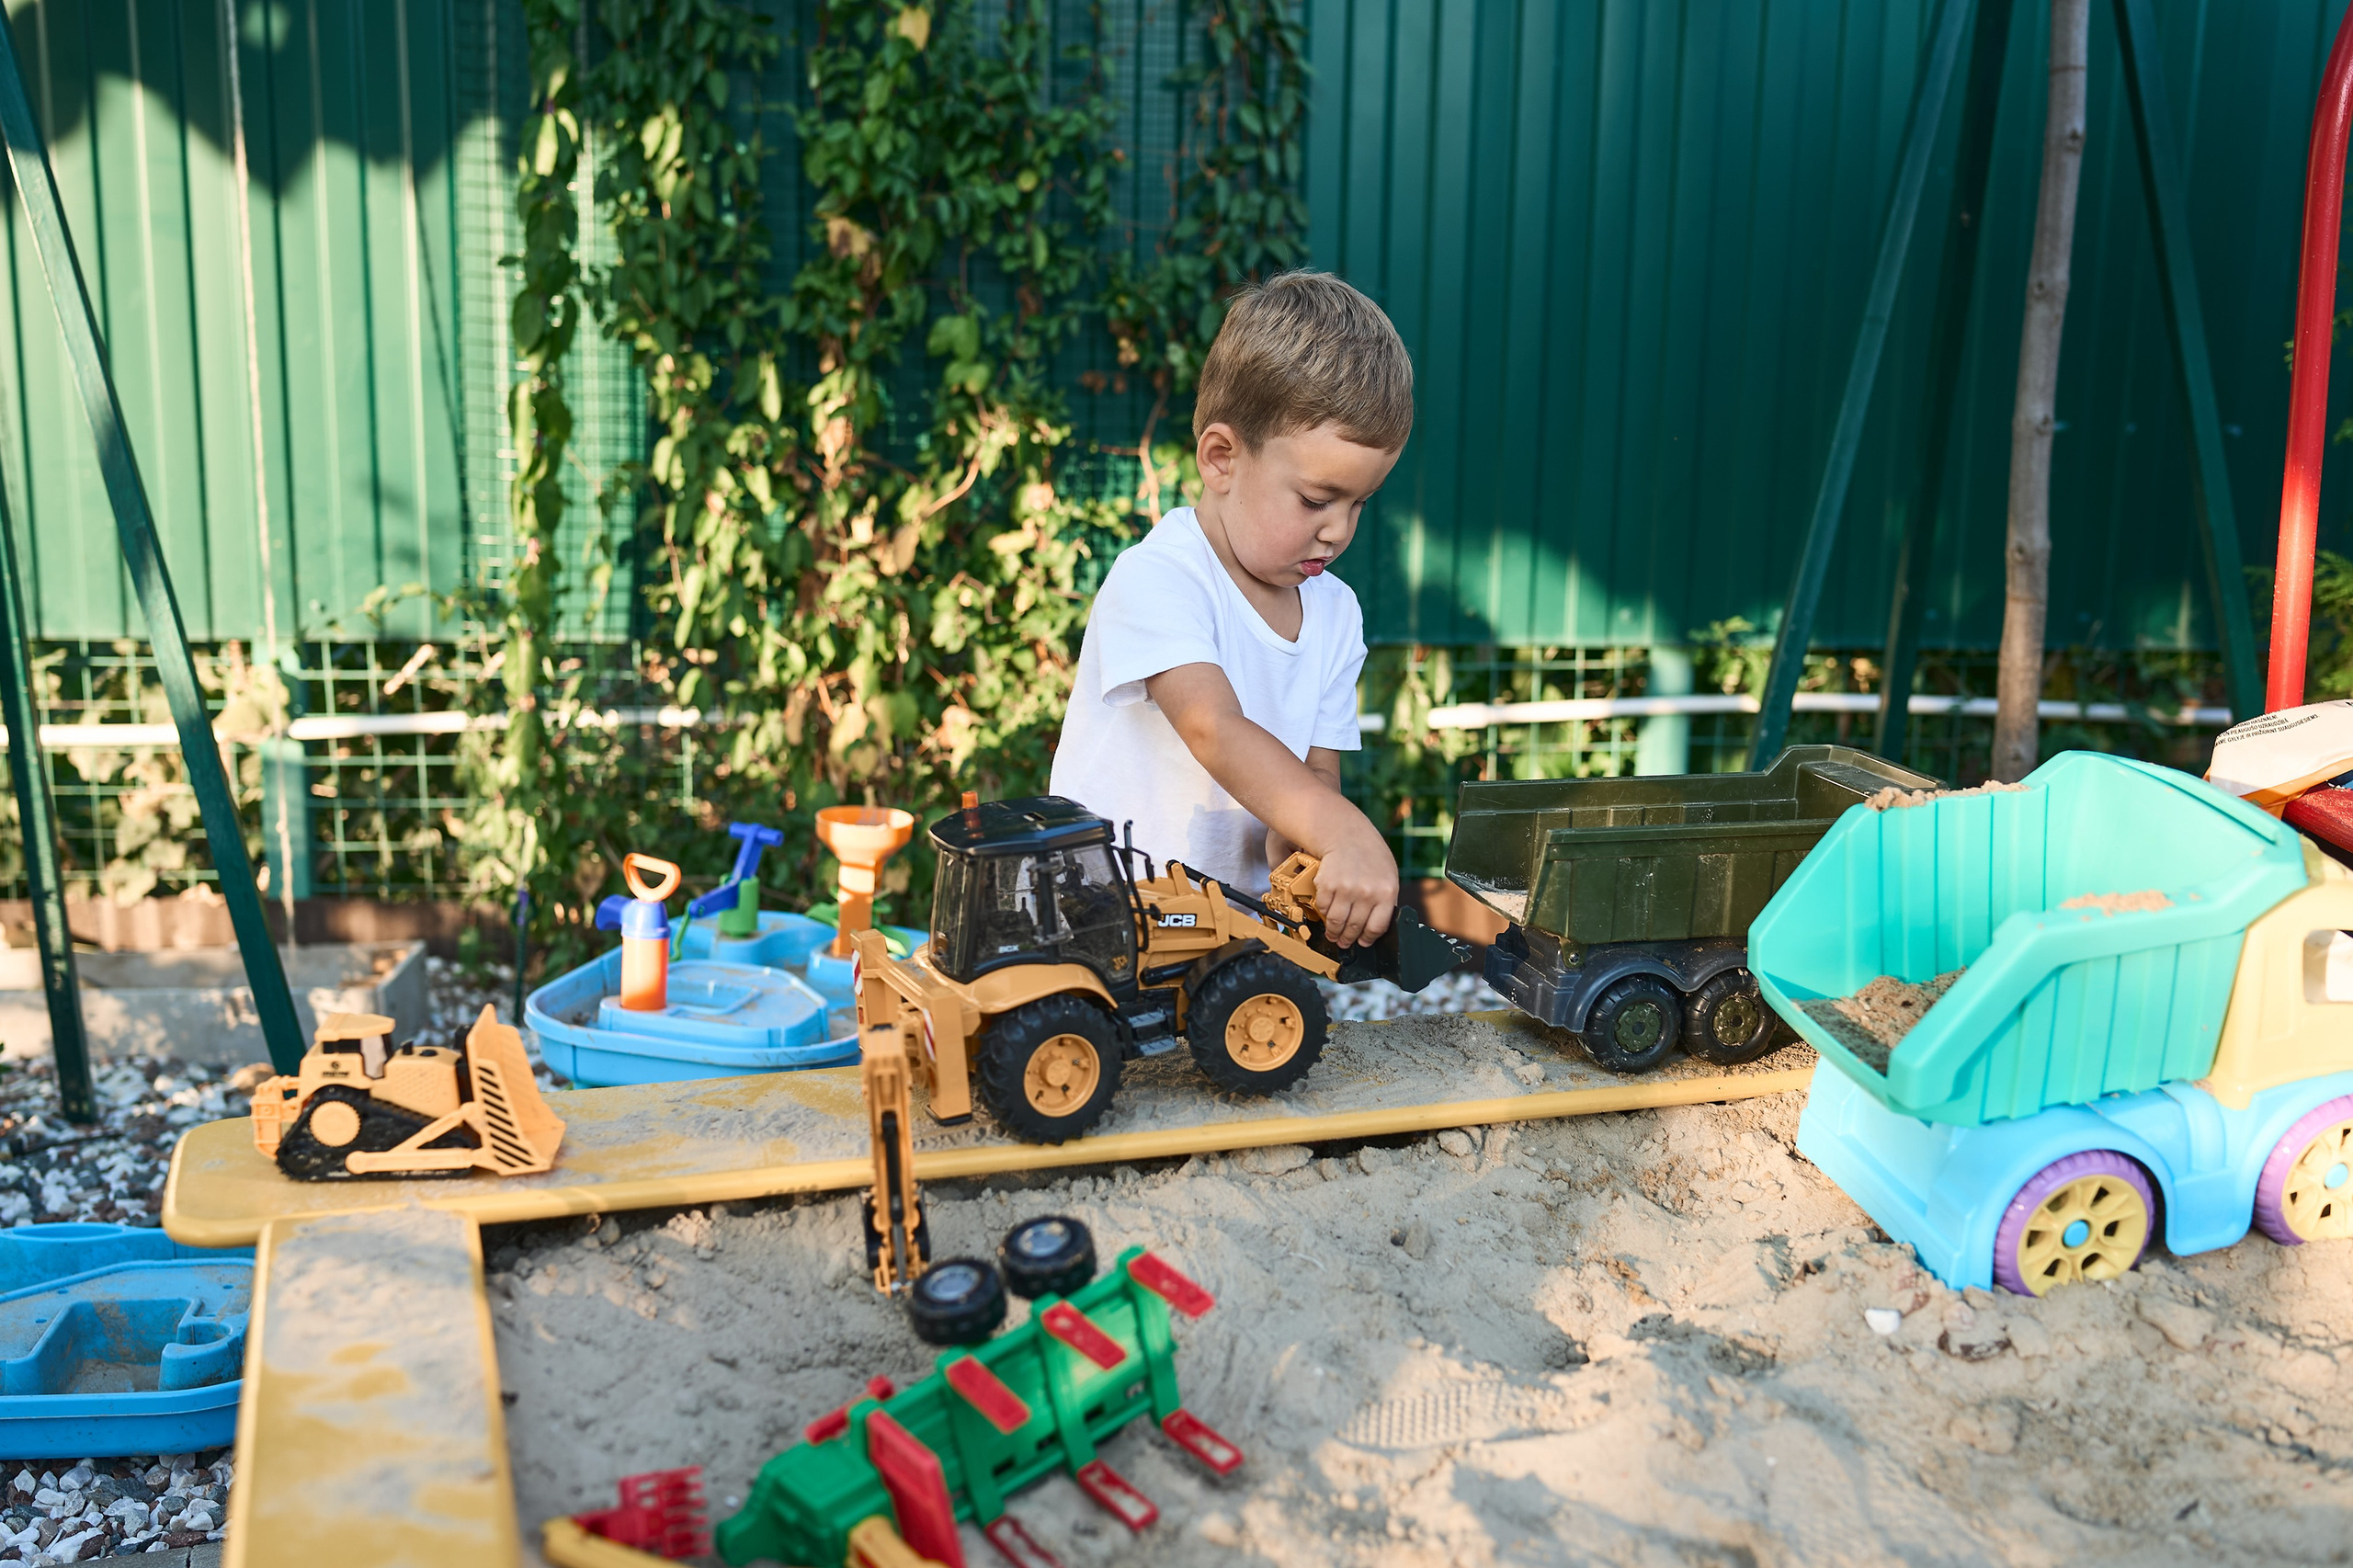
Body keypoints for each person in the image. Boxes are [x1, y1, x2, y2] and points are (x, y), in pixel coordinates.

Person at [1049, 270, 1413, 948]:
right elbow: (1212, 726)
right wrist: (1345, 831)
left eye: (1359, 504)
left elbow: (1312, 782)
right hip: (1111, 922)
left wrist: (1308, 848)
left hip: (1237, 933)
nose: (1338, 530)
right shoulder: (1159, 578)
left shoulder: (1336, 615)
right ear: (1221, 459)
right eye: (1315, 499)